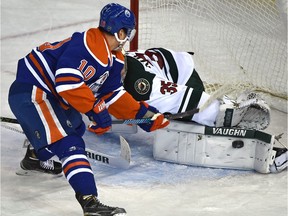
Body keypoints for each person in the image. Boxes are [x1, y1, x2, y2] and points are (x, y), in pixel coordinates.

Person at [8, 3, 169, 216]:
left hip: (52, 95)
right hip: (32, 91)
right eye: (128, 32)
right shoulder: (89, 45)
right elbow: (66, 82)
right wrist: (95, 110)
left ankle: (36, 157)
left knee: (75, 126)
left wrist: (144, 115)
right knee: (70, 143)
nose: (129, 36)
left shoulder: (114, 56)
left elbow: (112, 94)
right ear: (121, 32)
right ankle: (89, 201)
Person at [122, 48, 287, 173]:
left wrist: (223, 113)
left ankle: (267, 149)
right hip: (162, 64)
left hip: (183, 76)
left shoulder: (142, 86)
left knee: (193, 118)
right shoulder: (116, 63)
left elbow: (192, 102)